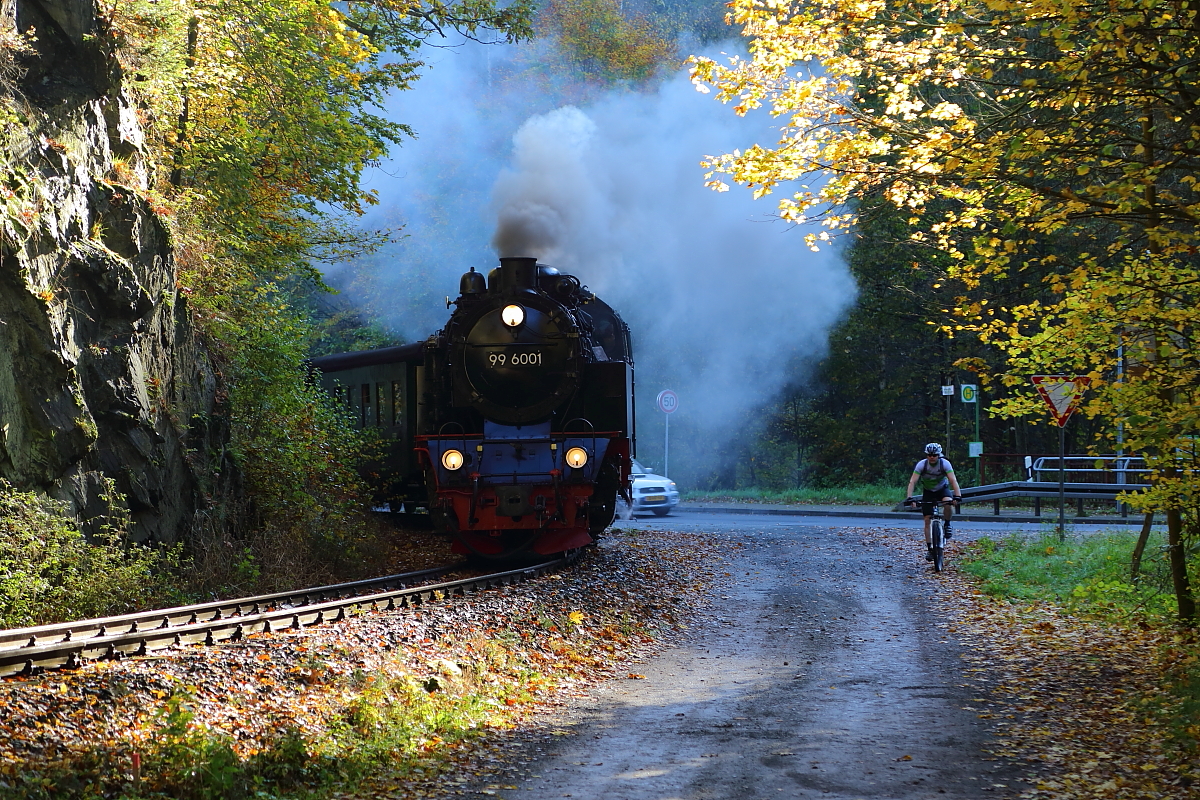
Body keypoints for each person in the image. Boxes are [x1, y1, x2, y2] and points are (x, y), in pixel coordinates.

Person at [905, 443, 962, 561]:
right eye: (929, 455)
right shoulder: (922, 465)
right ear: (927, 455)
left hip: (942, 489)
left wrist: (957, 496)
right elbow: (912, 482)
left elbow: (953, 480)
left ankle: (947, 524)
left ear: (939, 455)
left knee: (948, 503)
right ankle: (930, 549)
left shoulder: (944, 463)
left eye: (934, 455)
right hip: (928, 492)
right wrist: (910, 498)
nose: (932, 457)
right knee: (927, 520)